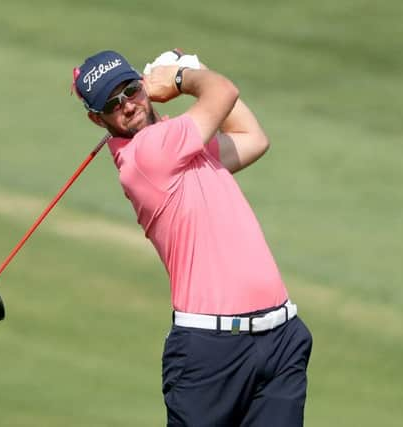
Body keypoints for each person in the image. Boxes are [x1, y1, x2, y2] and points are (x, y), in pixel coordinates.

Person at [72, 50, 313, 427]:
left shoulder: (182, 149)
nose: (128, 106)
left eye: (131, 90)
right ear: (96, 118)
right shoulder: (146, 156)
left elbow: (252, 138)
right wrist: (183, 77)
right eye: (112, 104)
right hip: (211, 353)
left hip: (280, 338)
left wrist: (193, 71)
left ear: (142, 85)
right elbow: (223, 92)